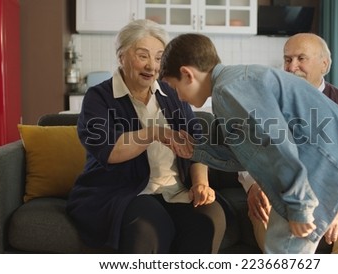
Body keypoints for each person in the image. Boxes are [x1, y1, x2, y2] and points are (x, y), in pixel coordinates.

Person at [159, 33, 338, 254]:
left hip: (317, 173)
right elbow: (246, 155)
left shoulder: (228, 90)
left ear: (187, 74)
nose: (178, 98)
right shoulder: (232, 84)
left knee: (282, 251)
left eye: (173, 87)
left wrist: (298, 206)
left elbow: (277, 143)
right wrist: (196, 151)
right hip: (313, 173)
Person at [65, 20, 226, 254]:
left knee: (210, 218)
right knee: (148, 225)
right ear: (121, 57)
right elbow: (109, 150)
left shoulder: (171, 92)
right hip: (125, 192)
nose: (152, 66)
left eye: (159, 58)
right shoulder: (98, 97)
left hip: (176, 190)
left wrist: (201, 183)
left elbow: (196, 140)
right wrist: (155, 133)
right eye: (143, 56)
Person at [238, 33, 338, 254]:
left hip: (336, 189)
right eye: (287, 59)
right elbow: (247, 149)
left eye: (301, 58)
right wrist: (254, 186)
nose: (292, 66)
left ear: (324, 63)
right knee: (266, 217)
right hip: (281, 190)